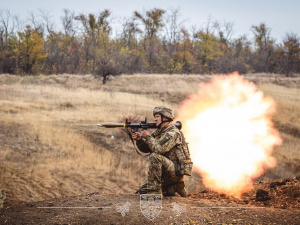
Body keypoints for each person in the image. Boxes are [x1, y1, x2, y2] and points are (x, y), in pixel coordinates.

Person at [132, 106, 189, 197]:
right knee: (143, 190)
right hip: (165, 171)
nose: (155, 119)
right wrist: (139, 140)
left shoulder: (172, 133)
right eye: (155, 117)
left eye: (157, 116)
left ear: (165, 117)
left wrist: (148, 136)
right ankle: (173, 187)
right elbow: (147, 148)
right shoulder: (159, 132)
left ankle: (155, 193)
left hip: (175, 170)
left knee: (155, 156)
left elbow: (159, 149)